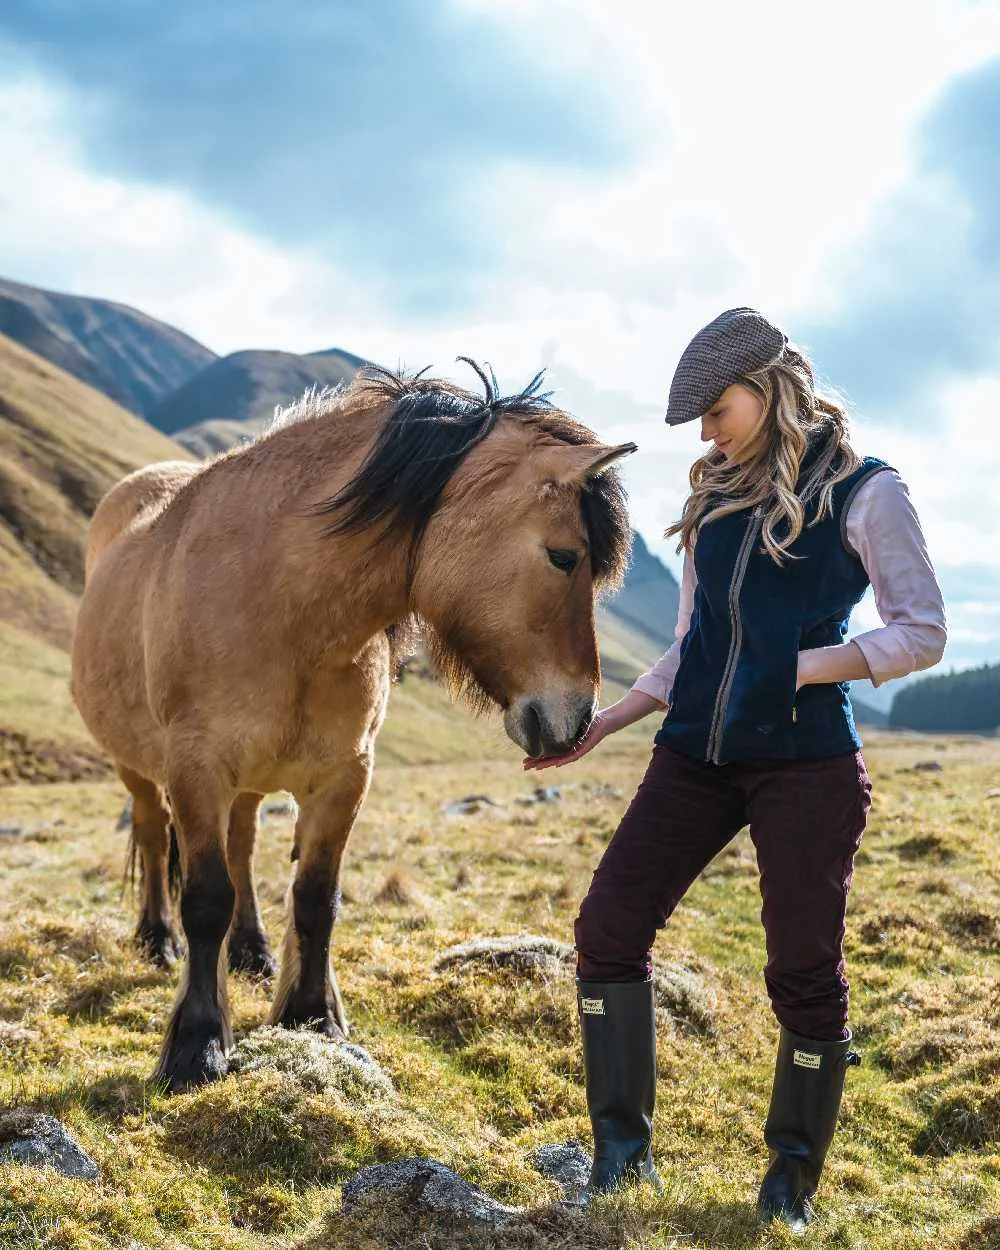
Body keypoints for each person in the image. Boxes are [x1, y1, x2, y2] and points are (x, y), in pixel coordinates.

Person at [525, 308, 947, 1228]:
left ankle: (790, 1182)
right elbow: (689, 648)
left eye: (718, 410)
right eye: (701, 421)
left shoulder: (869, 492)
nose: (708, 433)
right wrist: (609, 725)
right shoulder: (713, 495)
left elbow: (922, 632)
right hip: (696, 760)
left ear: (771, 388)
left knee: (803, 970)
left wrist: (794, 666)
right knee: (607, 929)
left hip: (807, 764)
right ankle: (621, 1160)